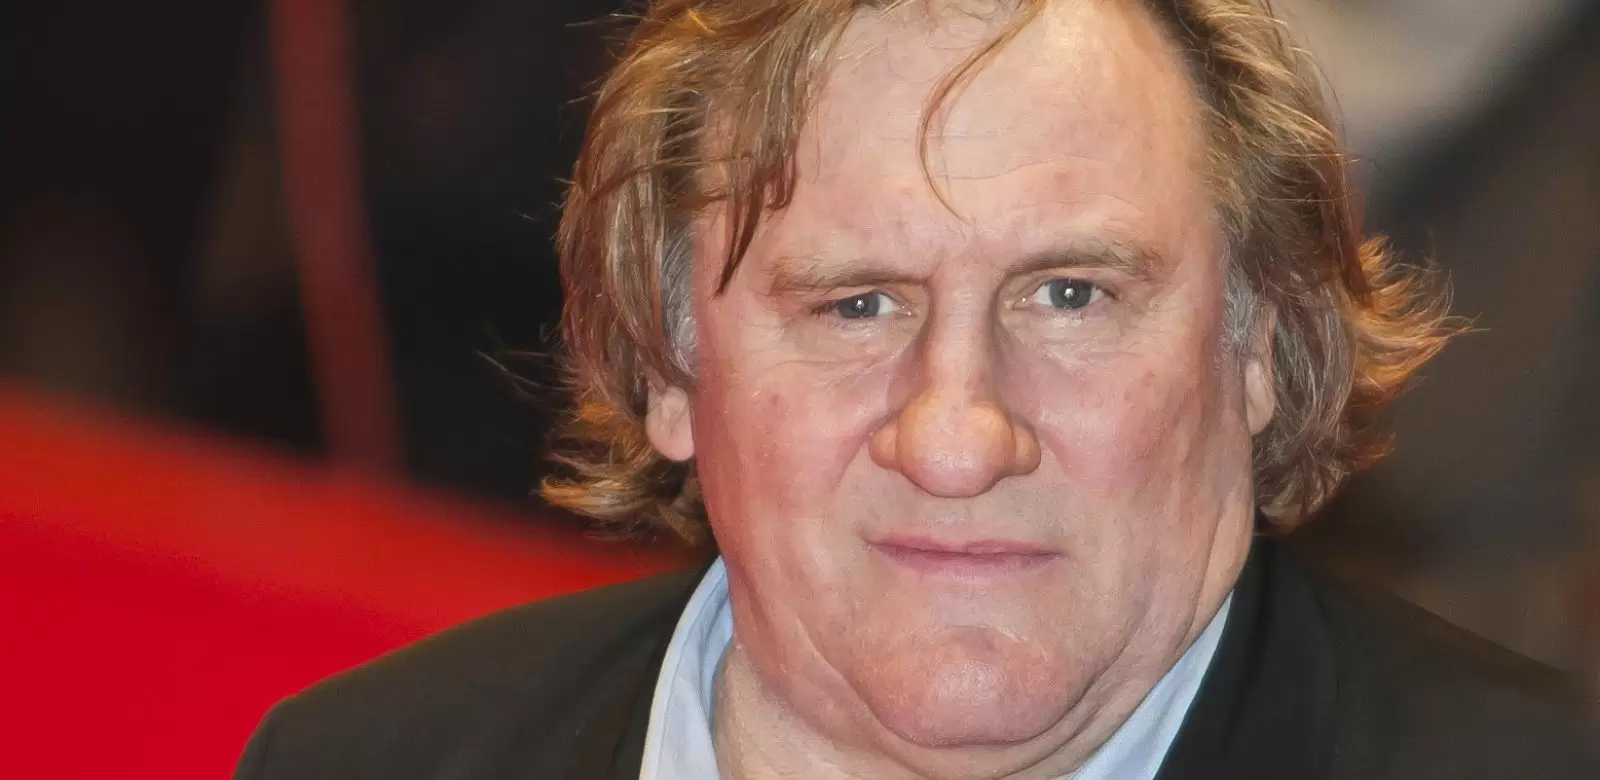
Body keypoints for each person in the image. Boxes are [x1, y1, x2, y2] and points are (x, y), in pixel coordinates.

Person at [234, 1, 1599, 778]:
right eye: (857, 305)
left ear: (1259, 349)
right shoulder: (365, 763)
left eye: (1072, 297)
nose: (955, 439)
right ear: (665, 362)